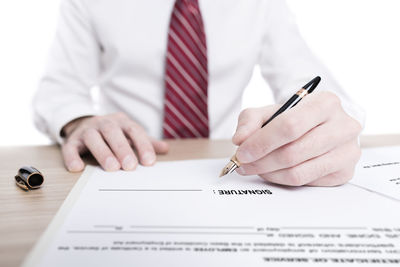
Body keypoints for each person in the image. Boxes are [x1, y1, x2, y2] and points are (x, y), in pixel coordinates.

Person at [33, 0, 364, 187]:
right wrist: (80, 121)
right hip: (126, 165)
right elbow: (58, 89)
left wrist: (324, 124)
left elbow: (313, 84)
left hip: (222, 163)